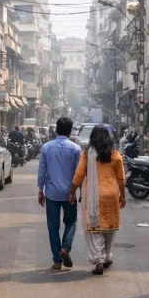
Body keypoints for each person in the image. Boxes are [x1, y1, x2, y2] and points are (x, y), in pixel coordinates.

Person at [70, 125, 126, 275]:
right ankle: (107, 257)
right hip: (111, 194)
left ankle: (99, 259)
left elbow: (78, 176)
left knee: (94, 228)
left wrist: (72, 192)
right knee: (109, 227)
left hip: (93, 196)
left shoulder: (87, 154)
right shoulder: (115, 155)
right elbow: (121, 179)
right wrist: (123, 196)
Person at [38, 116, 82, 270]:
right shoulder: (76, 149)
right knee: (71, 221)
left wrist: (40, 190)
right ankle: (65, 248)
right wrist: (81, 191)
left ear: (56, 129)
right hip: (69, 193)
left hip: (51, 193)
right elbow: (79, 173)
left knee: (52, 226)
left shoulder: (46, 147)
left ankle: (57, 260)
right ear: (70, 131)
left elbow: (42, 172)